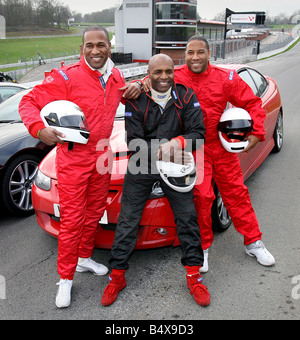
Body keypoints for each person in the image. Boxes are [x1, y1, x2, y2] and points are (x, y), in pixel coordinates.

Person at [19, 25, 142, 308]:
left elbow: (125, 95)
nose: (96, 50)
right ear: (82, 49)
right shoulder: (67, 77)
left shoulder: (115, 77)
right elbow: (28, 101)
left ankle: (84, 258)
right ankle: (65, 279)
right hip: (73, 158)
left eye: (101, 45)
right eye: (90, 45)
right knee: (72, 220)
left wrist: (140, 84)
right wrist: (39, 129)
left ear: (109, 48)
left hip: (102, 154)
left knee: (95, 211)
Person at [144, 36, 275, 273]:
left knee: (236, 194)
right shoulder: (175, 76)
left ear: (208, 54)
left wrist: (256, 133)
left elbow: (252, 103)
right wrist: (136, 86)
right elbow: (149, 82)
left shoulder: (226, 78)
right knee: (202, 199)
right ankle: (202, 248)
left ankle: (253, 242)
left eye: (200, 52)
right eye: (190, 52)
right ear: (185, 54)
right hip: (193, 148)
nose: (195, 57)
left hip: (221, 147)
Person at [101, 54, 211, 307]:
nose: (164, 77)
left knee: (187, 218)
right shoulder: (136, 98)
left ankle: (194, 278)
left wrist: (178, 143)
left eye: (168, 72)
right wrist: (163, 147)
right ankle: (117, 276)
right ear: (148, 75)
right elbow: (133, 142)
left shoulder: (186, 96)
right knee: (128, 220)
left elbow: (198, 134)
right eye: (157, 72)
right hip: (143, 164)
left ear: (174, 72)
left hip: (176, 163)